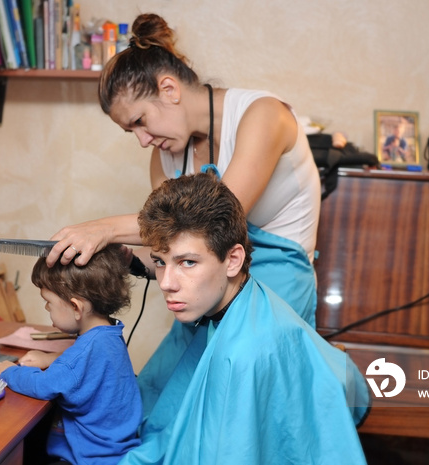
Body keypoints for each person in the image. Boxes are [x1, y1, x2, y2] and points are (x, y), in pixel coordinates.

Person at [46, 12, 321, 328]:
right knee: (162, 379)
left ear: (169, 89)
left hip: (277, 286)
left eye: (140, 121)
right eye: (130, 131)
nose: (142, 140)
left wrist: (104, 228)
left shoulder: (264, 116)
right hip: (209, 289)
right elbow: (175, 245)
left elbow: (215, 219)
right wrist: (130, 260)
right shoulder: (163, 154)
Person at [119, 172, 368, 464]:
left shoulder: (242, 355)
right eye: (161, 262)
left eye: (187, 262)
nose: (166, 283)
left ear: (233, 260)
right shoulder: (240, 300)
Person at [0, 244, 142, 465]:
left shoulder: (82, 354)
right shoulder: (110, 334)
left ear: (76, 308)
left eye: (48, 303)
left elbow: (43, 386)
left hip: (90, 459)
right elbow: (87, 366)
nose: (47, 309)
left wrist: (8, 372)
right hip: (116, 448)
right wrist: (51, 359)